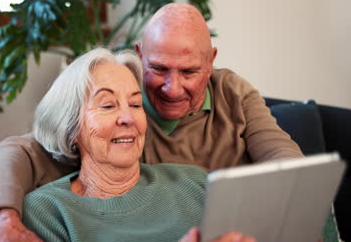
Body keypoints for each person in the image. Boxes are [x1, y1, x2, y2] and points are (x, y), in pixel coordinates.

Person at [0, 3, 303, 240]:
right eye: (158, 69)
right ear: (141, 54)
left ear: (211, 61)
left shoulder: (230, 102)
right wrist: (2, 216)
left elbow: (287, 164)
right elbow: (21, 151)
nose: (172, 89)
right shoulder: (124, 86)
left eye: (188, 72)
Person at [20, 47, 255, 242]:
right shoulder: (48, 211)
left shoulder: (196, 182)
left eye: (135, 104)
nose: (128, 118)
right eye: (108, 105)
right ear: (70, 127)